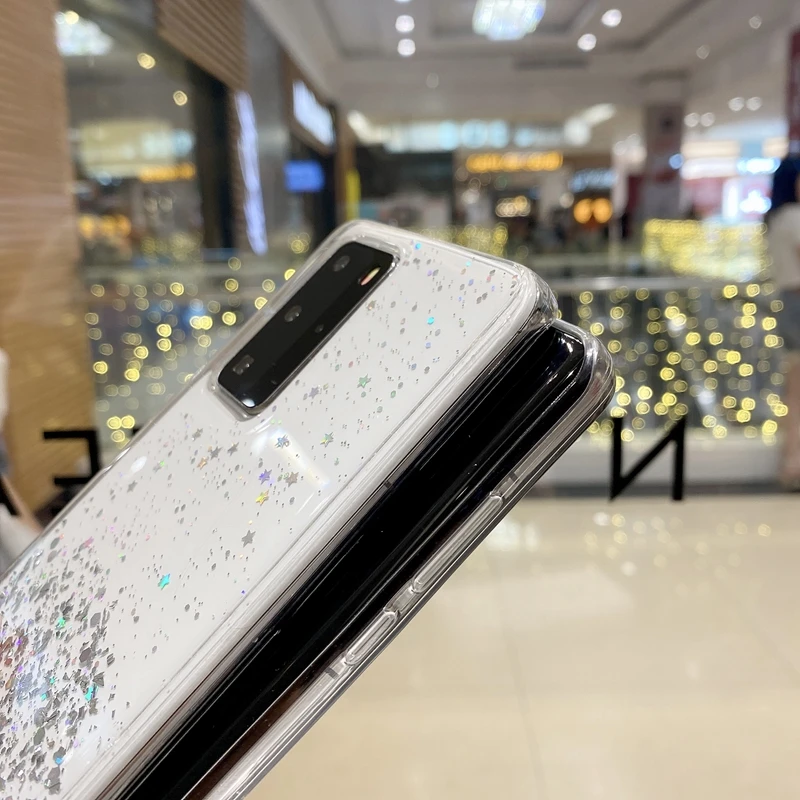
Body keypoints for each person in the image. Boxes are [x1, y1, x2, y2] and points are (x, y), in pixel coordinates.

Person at [768, 156, 800, 486]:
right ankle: (792, 463)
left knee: (794, 387)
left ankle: (790, 462)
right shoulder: (794, 217)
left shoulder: (778, 219)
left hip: (788, 302)